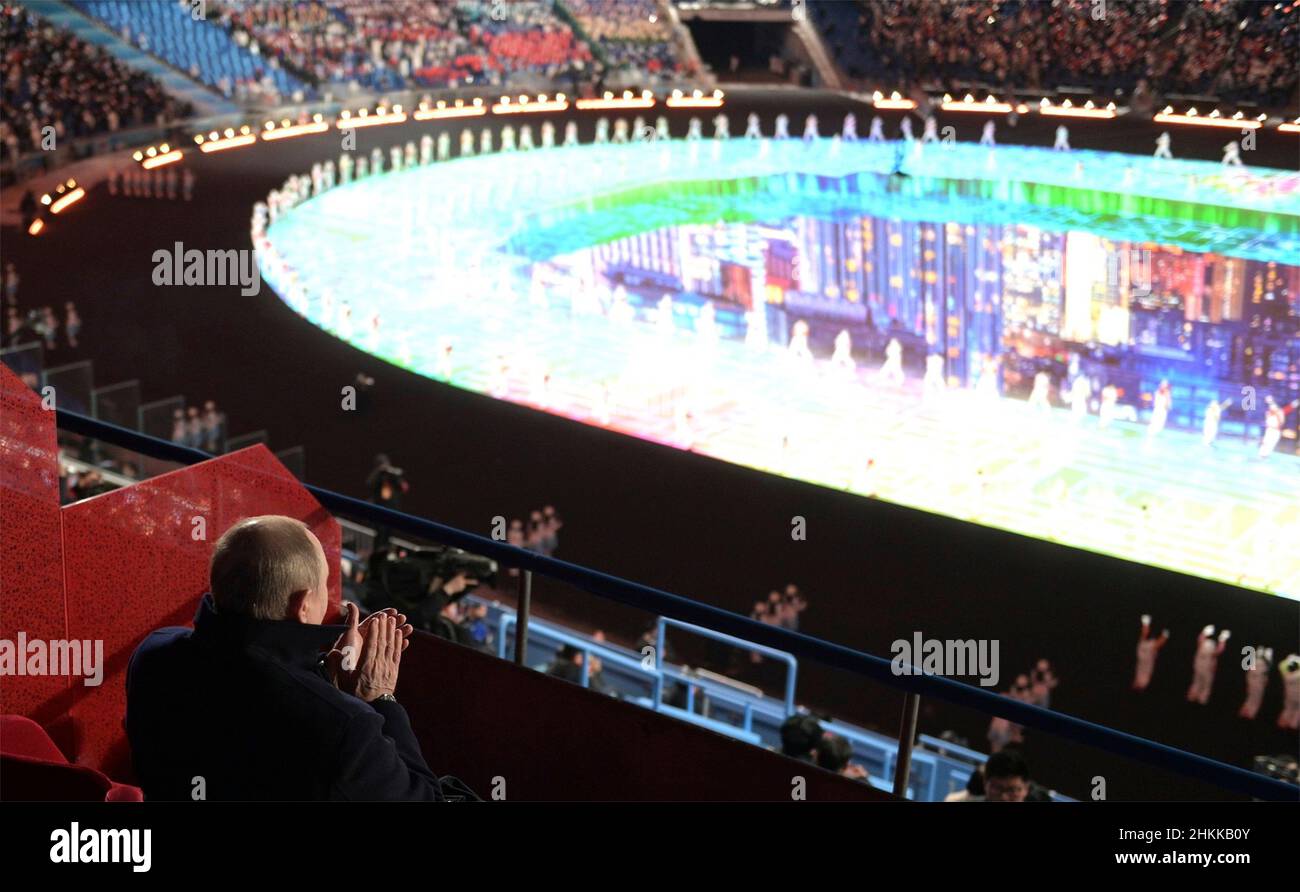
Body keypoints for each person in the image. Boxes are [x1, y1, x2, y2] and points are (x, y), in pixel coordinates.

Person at [125, 515, 470, 800]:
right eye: (324, 584)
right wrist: (379, 698)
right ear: (303, 605)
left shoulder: (155, 653)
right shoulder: (347, 730)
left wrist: (322, 682)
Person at [1132, 614, 1169, 691]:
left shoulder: (1143, 682)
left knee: (1154, 643)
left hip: (1145, 659)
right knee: (1144, 640)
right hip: (1143, 657)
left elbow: (1138, 684)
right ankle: (1147, 622)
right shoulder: (1142, 680)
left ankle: (1165, 632)